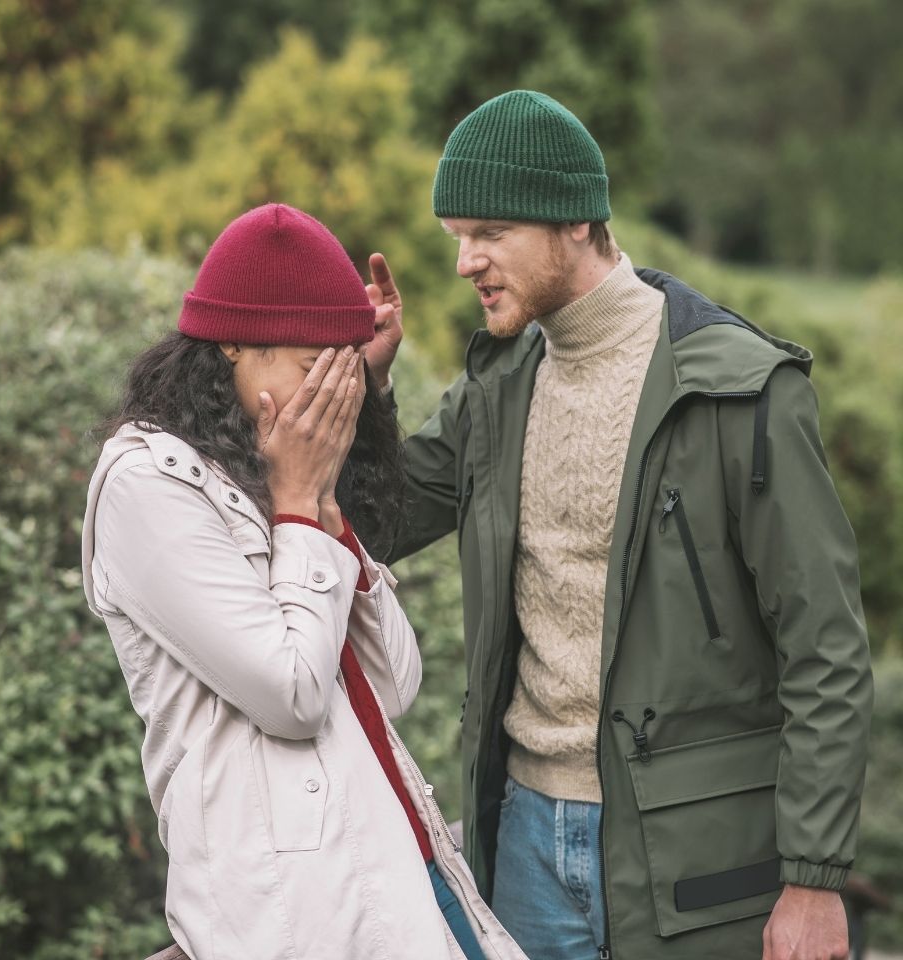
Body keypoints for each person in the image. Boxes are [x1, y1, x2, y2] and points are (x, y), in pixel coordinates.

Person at [364, 91, 873, 960]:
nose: (464, 261)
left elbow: (826, 649)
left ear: (573, 222)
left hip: (696, 854)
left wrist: (815, 877)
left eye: (488, 231)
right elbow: (379, 519)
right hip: (520, 840)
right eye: (456, 235)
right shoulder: (496, 388)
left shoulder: (742, 391)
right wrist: (371, 393)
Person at [80, 204, 528, 960]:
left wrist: (322, 507)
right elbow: (290, 694)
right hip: (289, 917)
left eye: (344, 371)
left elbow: (394, 681)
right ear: (231, 344)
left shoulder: (270, 466)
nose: (333, 397)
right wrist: (298, 503)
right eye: (312, 368)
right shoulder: (146, 485)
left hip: (399, 871)